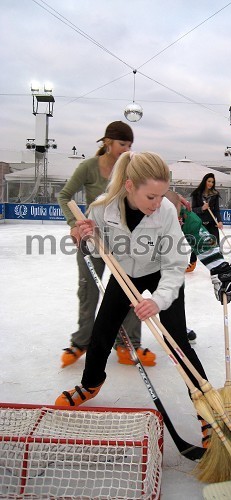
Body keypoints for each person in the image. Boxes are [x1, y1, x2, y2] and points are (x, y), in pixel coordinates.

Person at [55, 152, 214, 445]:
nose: (157, 204)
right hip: (126, 273)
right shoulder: (101, 208)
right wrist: (83, 238)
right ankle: (91, 385)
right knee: (102, 331)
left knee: (177, 340)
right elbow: (93, 250)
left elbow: (175, 262)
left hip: (160, 272)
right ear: (130, 186)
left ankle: (207, 409)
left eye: (161, 196)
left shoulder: (165, 211)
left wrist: (160, 300)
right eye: (151, 197)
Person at [58, 121, 156, 368]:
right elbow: (64, 195)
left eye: (130, 145)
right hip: (91, 240)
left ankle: (128, 344)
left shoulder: (131, 169)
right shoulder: (89, 167)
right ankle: (82, 341)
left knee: (130, 292)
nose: (127, 149)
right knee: (88, 292)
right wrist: (73, 223)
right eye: (123, 144)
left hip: (121, 242)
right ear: (108, 142)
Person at [187, 173, 223, 273]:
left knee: (216, 244)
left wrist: (219, 221)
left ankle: (220, 265)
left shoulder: (215, 195)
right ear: (205, 181)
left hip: (212, 223)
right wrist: (202, 208)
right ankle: (192, 263)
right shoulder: (197, 194)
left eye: (212, 182)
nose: (211, 183)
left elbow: (217, 210)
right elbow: (193, 210)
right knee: (197, 244)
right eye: (209, 181)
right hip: (200, 223)